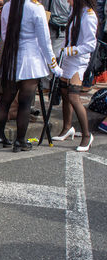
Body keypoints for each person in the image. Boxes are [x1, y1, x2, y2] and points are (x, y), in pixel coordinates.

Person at [0, 0, 63, 152]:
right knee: (25, 103)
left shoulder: (7, 6)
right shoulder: (36, 8)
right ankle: (20, 141)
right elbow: (45, 41)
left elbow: (4, 36)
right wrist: (54, 66)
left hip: (11, 58)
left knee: (5, 100)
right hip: (31, 59)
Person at [51, 0, 98, 152]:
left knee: (73, 97)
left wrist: (71, 50)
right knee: (64, 92)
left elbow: (90, 44)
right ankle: (66, 128)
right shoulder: (75, 11)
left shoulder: (89, 15)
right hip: (69, 58)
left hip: (79, 60)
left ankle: (86, 135)